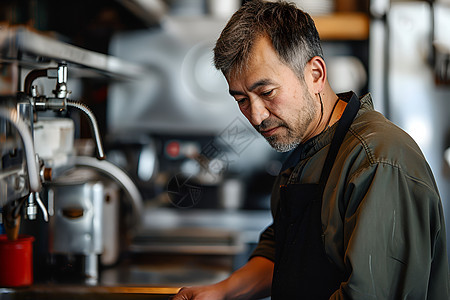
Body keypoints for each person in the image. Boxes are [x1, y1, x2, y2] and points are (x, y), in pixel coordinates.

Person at [173, 0, 450, 299]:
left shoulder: (377, 162)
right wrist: (221, 292)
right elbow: (282, 250)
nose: (256, 115)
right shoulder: (305, 149)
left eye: (266, 92)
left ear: (315, 74)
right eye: (241, 99)